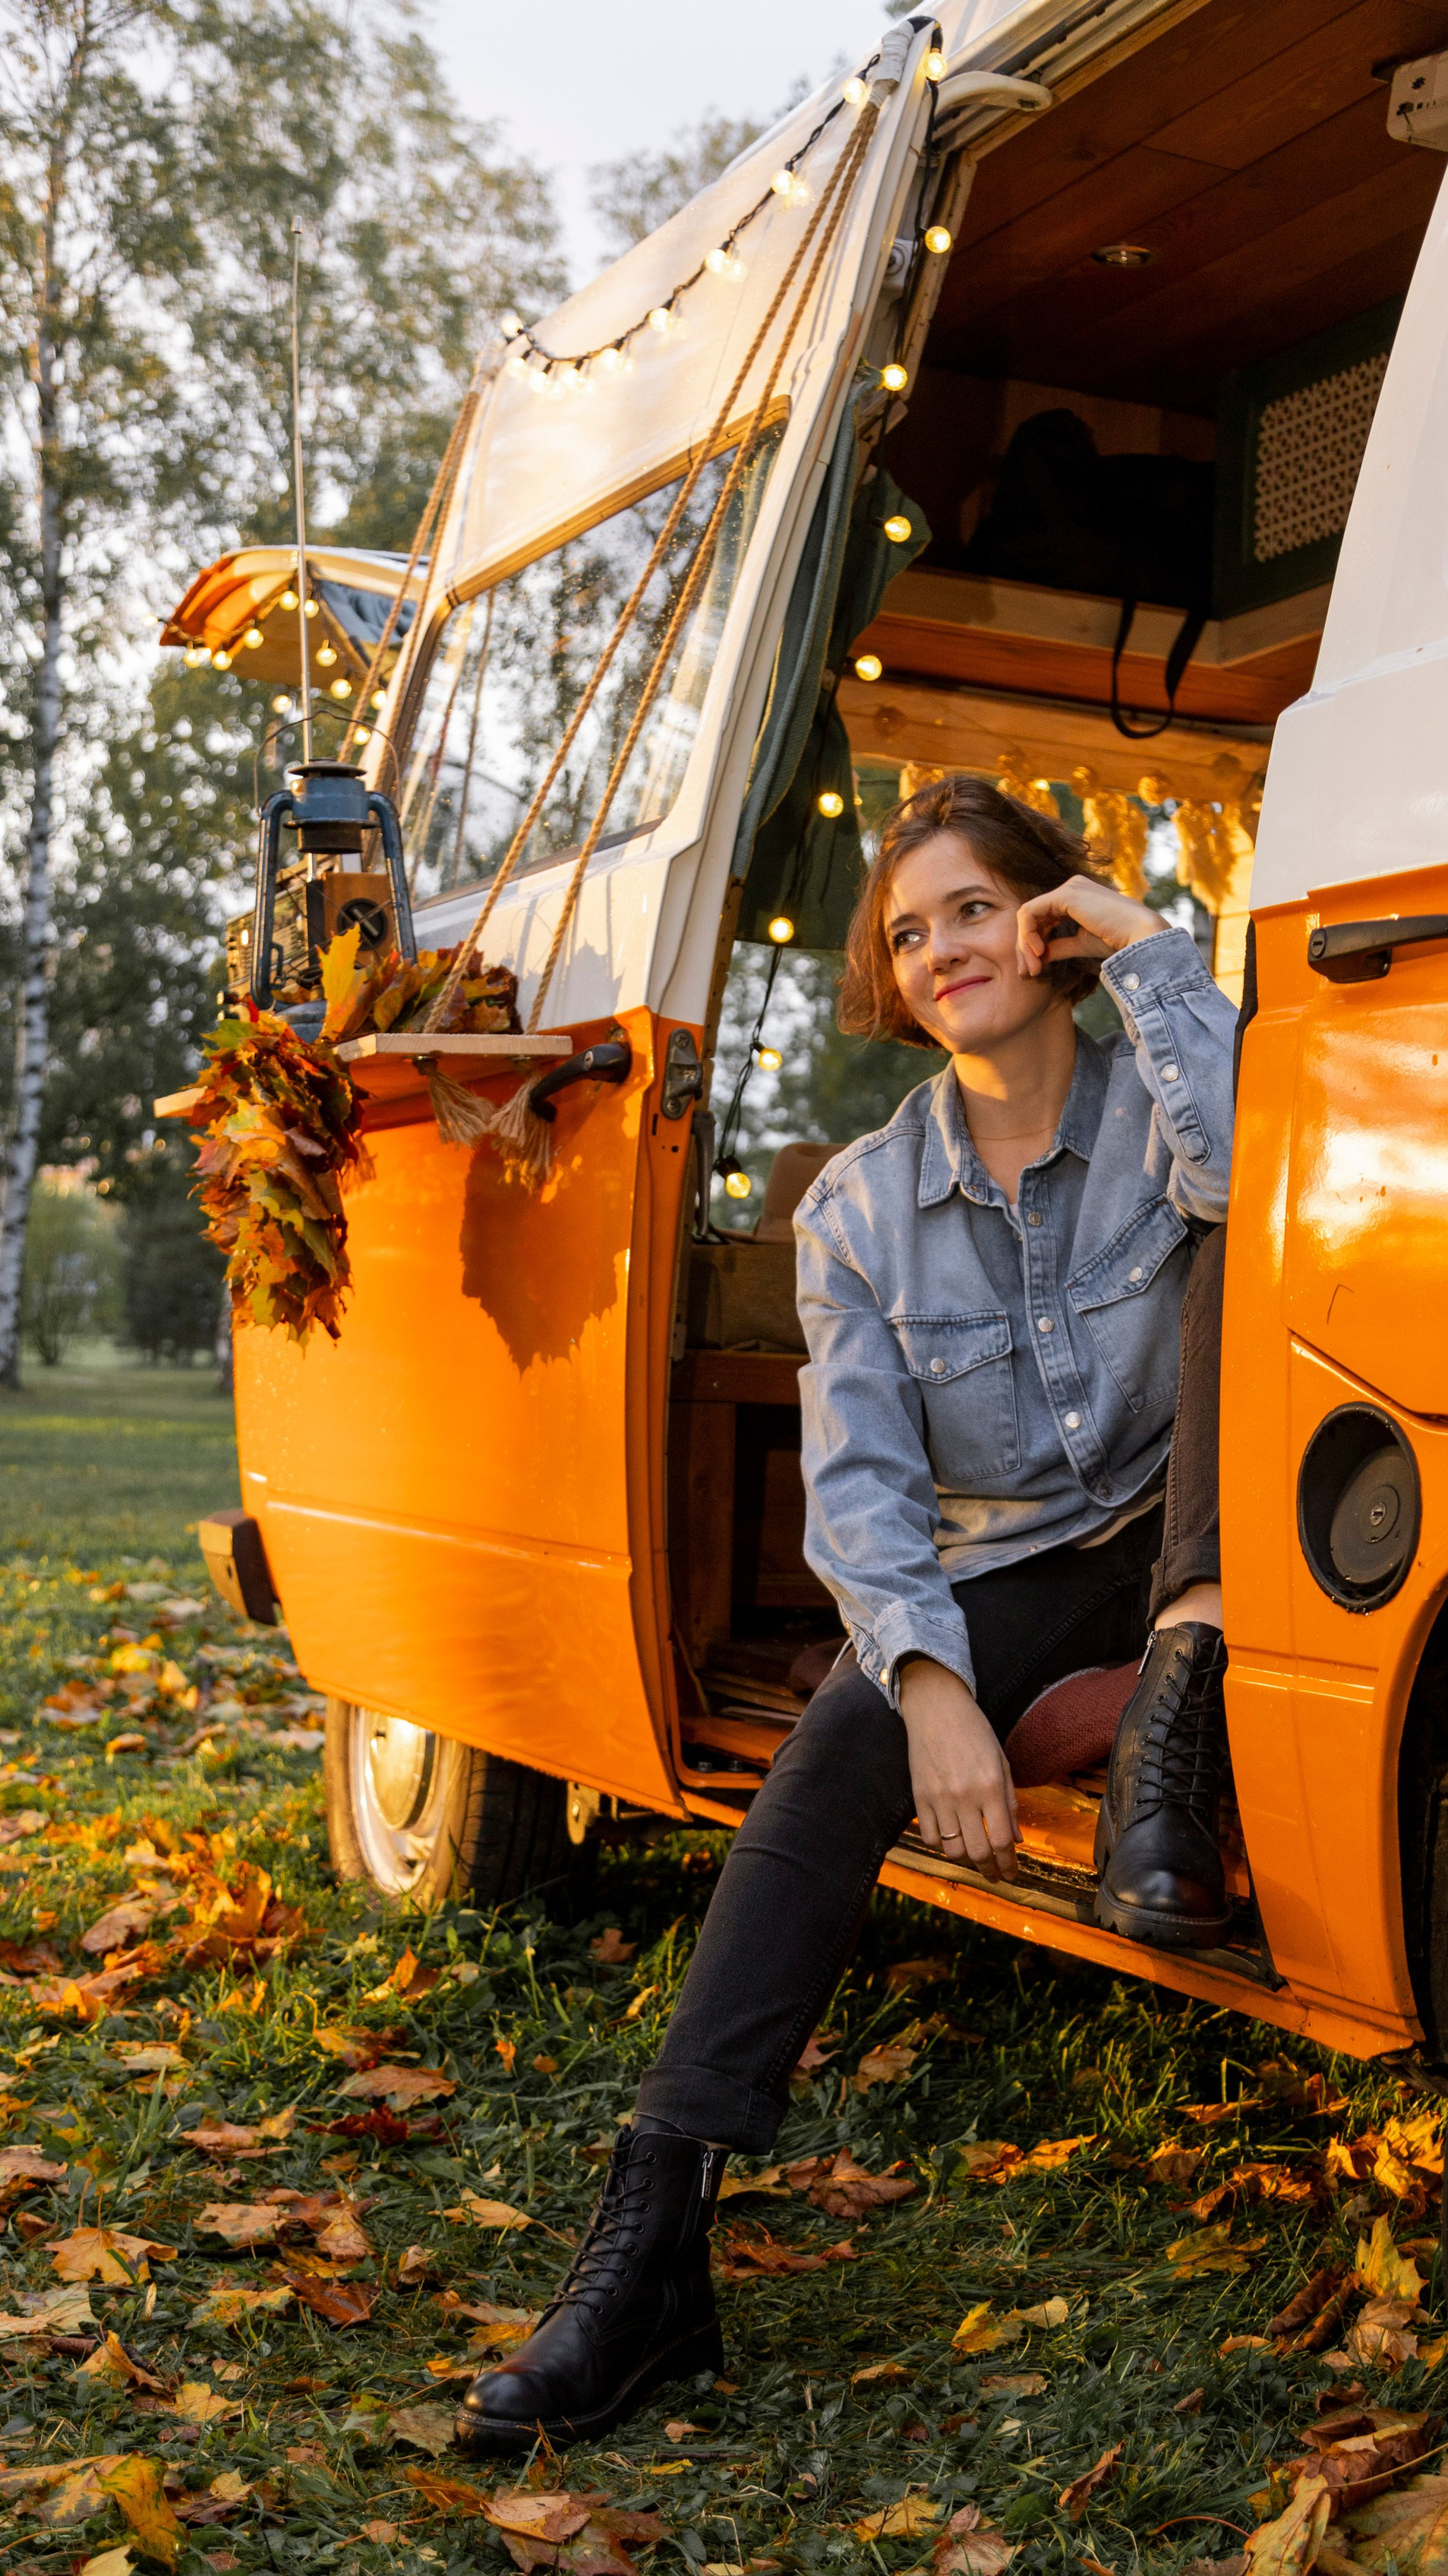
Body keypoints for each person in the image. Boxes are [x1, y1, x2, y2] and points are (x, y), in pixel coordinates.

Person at [457, 775, 1236, 2456]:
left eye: (975, 907)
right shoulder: (858, 1211)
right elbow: (867, 1492)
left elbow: (1259, 1175)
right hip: (1020, 1555)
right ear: (889, 983)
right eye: (908, 931)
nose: (943, 947)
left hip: (1205, 1514)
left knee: (1236, 1274)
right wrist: (932, 1689)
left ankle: (1183, 1682)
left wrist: (1146, 949)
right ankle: (648, 2248)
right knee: (826, 1772)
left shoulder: (1159, 1094)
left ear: (1046, 921)